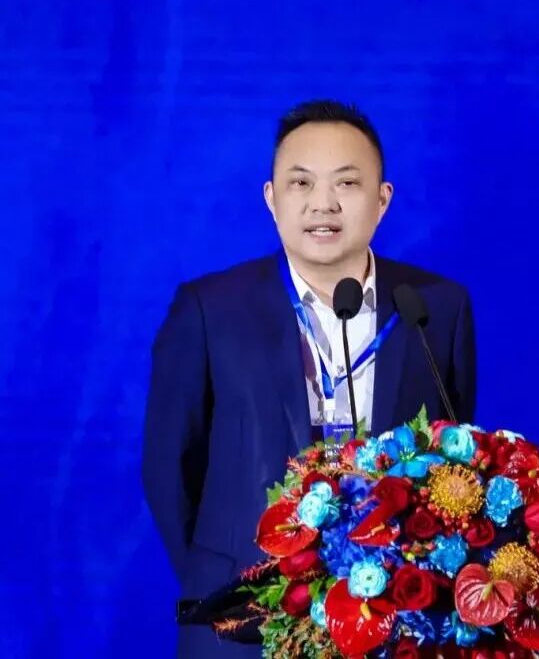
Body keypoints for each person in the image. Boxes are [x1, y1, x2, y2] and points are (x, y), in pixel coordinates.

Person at [141, 100, 477, 658]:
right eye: (301, 183)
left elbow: (455, 455)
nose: (323, 203)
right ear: (272, 198)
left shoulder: (435, 309)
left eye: (347, 183)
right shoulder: (209, 309)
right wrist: (218, 577)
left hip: (399, 623)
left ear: (382, 200)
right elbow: (168, 466)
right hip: (244, 623)